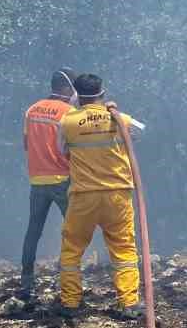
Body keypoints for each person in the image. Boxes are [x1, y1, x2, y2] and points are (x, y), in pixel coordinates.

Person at [56, 74, 143, 314]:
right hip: (117, 194)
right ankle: (129, 303)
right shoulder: (120, 118)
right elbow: (139, 133)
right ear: (102, 93)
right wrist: (111, 114)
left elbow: (61, 151)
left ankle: (71, 303)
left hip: (83, 195)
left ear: (76, 96)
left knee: (72, 248)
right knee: (124, 248)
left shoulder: (66, 122)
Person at [19, 69, 77, 300]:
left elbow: (26, 144)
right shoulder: (68, 112)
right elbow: (72, 148)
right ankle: (71, 280)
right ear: (66, 88)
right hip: (62, 179)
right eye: (73, 87)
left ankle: (26, 280)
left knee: (33, 231)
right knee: (74, 232)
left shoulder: (31, 110)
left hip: (37, 180)